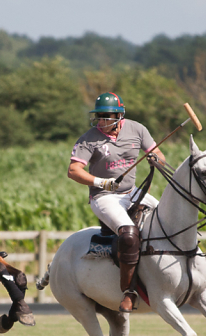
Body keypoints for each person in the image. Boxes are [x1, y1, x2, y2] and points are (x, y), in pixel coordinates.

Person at [68, 92, 166, 312]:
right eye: (99, 116)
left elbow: (158, 154)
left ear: (119, 115)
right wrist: (102, 183)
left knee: (166, 221)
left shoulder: (137, 129)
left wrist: (155, 159)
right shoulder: (88, 138)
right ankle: (129, 291)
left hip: (132, 192)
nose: (101, 121)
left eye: (106, 116)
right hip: (104, 197)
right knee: (129, 233)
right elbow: (73, 171)